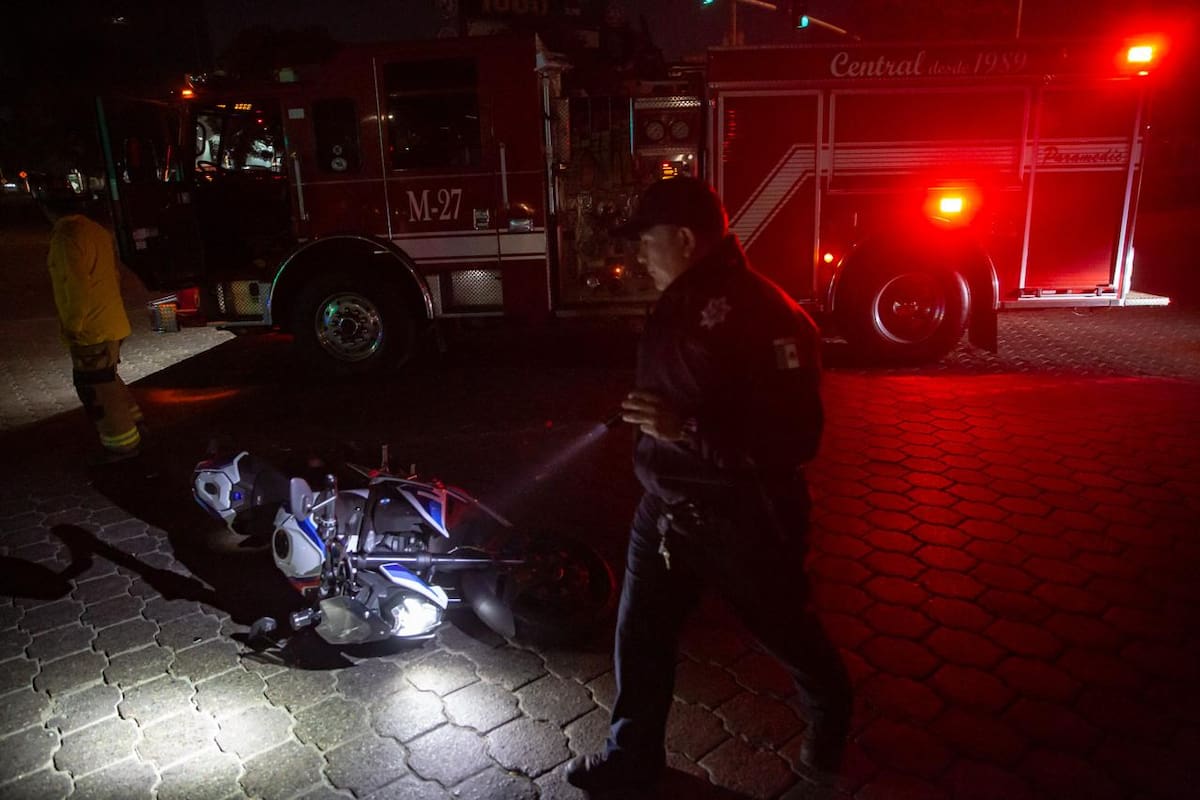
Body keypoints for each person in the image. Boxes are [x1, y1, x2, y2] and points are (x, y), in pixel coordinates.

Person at [565, 176, 853, 793]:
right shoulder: (680, 295)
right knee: (639, 639)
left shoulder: (772, 317)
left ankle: (832, 719)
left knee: (787, 631)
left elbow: (795, 440)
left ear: (686, 238)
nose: (637, 254)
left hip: (743, 520)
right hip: (664, 511)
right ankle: (632, 758)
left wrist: (683, 425)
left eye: (646, 241)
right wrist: (657, 417)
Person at [37, 184, 144, 465]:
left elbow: (75, 286)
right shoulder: (96, 231)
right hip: (111, 323)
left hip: (91, 329)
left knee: (95, 388)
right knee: (107, 378)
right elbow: (115, 276)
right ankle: (135, 423)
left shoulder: (66, 236)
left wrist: (72, 327)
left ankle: (122, 446)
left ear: (49, 209)